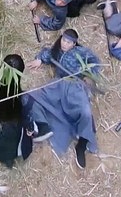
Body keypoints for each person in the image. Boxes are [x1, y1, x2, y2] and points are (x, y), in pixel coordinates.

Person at [25, 29, 102, 169]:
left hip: (75, 85)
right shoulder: (56, 51)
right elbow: (46, 53)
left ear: (74, 44)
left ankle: (82, 144)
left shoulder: (80, 52)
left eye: (68, 42)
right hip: (59, 84)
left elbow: (95, 62)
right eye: (63, 40)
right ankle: (43, 126)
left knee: (85, 112)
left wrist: (88, 75)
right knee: (32, 96)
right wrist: (39, 59)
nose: (64, 44)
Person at [0, 54, 38, 168]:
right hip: (11, 131)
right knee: (12, 143)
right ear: (19, 75)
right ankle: (7, 160)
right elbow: (27, 121)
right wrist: (30, 130)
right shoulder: (24, 99)